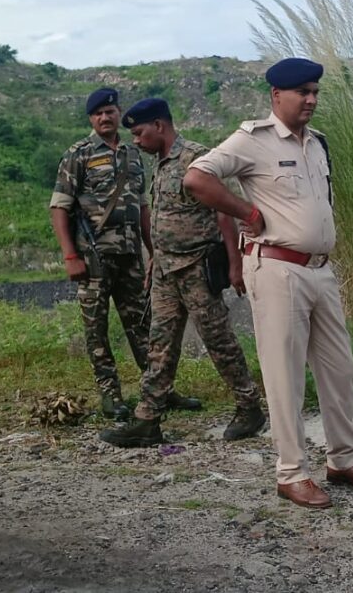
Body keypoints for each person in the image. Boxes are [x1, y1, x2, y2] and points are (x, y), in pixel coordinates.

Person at [183, 58, 353, 509]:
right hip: (277, 269)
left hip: (320, 269)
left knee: (339, 368)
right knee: (285, 375)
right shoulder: (253, 140)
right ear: (277, 96)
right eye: (302, 92)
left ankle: (343, 458)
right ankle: (291, 472)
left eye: (315, 91)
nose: (311, 99)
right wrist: (246, 213)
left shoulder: (317, 144)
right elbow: (197, 177)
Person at [100, 98, 267, 447]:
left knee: (218, 340)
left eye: (141, 132)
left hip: (196, 267)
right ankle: (148, 418)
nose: (136, 140)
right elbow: (163, 216)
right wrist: (153, 258)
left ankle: (249, 406)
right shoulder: (160, 164)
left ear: (160, 126)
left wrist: (235, 265)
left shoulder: (196, 158)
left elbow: (223, 211)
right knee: (159, 343)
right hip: (165, 270)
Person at [49, 88, 200, 421]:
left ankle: (159, 391)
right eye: (98, 113)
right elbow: (60, 207)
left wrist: (153, 251)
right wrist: (69, 255)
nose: (105, 117)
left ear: (119, 114)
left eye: (111, 111)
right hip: (93, 259)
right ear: (91, 118)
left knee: (142, 326)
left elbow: (142, 208)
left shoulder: (133, 155)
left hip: (130, 256)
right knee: (97, 328)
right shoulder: (79, 153)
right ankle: (111, 394)